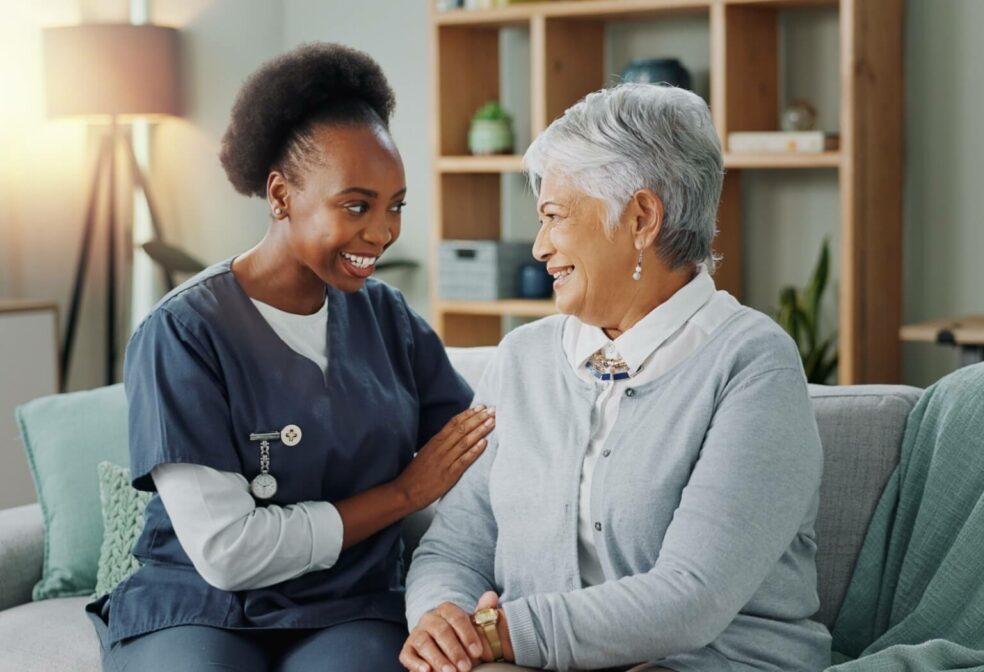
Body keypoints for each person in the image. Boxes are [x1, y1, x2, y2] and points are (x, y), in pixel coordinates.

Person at [86, 43, 494, 672]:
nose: (383, 232)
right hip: (201, 601)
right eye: (357, 205)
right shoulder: (184, 333)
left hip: (350, 604)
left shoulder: (387, 320)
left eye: (395, 206)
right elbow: (227, 553)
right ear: (280, 195)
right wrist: (403, 493)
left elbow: (482, 458)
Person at [403, 83, 833, 672]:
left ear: (641, 218)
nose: (539, 247)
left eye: (554, 217)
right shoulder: (522, 359)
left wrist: (503, 633)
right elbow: (455, 546)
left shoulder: (752, 365)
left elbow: (691, 598)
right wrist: (442, 621)